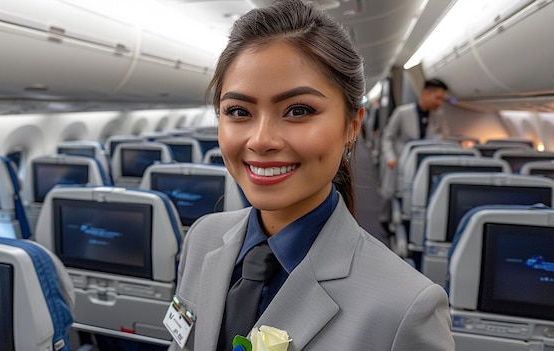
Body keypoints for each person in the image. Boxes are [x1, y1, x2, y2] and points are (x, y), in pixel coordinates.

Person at [167, 1, 454, 350]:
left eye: (298, 110)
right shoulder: (203, 239)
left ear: (352, 125)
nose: (261, 141)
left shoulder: (406, 307)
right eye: (238, 111)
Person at [378, 78, 450, 230]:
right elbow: (387, 137)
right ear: (425, 94)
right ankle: (385, 222)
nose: (440, 103)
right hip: (400, 163)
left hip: (425, 165)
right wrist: (390, 157)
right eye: (437, 98)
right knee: (390, 195)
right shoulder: (402, 112)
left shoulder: (439, 116)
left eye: (442, 99)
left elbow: (445, 137)